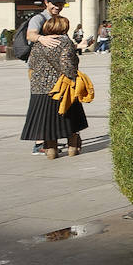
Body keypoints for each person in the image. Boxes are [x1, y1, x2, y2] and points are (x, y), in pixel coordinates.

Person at [21, 14, 88, 159]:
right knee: (70, 117)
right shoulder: (65, 42)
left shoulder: (39, 43)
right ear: (64, 28)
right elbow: (67, 65)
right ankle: (73, 147)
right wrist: (74, 76)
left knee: (47, 121)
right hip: (60, 88)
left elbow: (31, 64)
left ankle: (51, 150)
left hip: (39, 89)